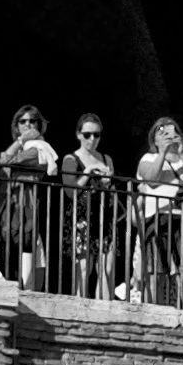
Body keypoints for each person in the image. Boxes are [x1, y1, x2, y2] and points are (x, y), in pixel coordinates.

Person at [136, 116, 183, 307]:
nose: (169, 135)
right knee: (155, 272)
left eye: (173, 131)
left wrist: (182, 154)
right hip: (156, 220)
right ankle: (154, 314)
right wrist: (163, 152)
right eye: (163, 132)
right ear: (155, 139)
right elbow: (150, 178)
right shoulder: (148, 158)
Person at [0, 105, 58, 288]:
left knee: (23, 260)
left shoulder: (40, 147)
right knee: (5, 259)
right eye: (22, 121)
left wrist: (19, 142)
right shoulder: (21, 147)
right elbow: (3, 168)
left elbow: (5, 162)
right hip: (7, 206)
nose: (28, 124)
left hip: (26, 207)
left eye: (32, 121)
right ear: (16, 125)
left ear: (39, 125)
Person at [61, 113, 119, 299]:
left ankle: (103, 309)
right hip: (82, 218)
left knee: (106, 268)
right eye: (87, 135)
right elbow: (70, 192)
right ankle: (80, 308)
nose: (92, 139)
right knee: (84, 268)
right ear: (78, 135)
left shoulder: (106, 158)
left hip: (104, 217)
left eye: (96, 135)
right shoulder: (71, 159)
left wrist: (107, 180)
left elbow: (112, 189)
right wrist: (86, 173)